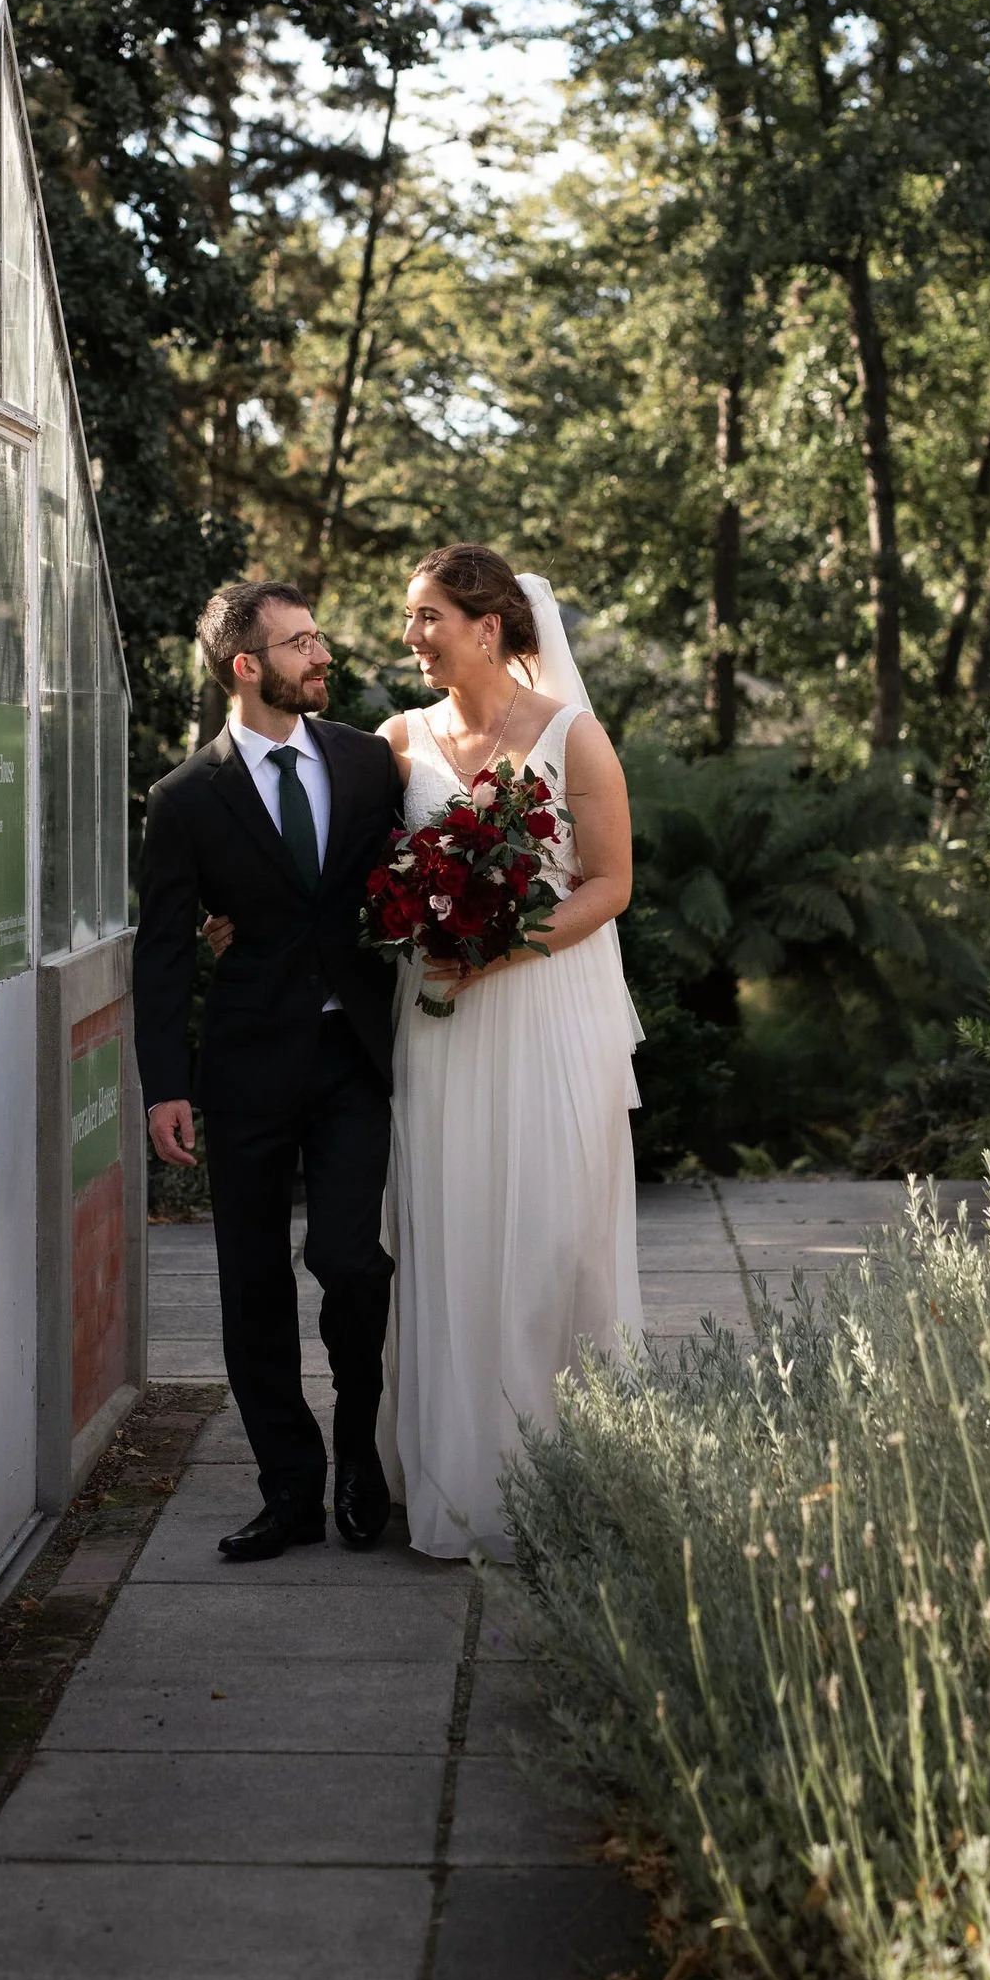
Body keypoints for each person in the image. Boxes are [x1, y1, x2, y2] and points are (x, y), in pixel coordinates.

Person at [378, 545, 643, 1560]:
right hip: (441, 1019)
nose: (411, 637)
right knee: (450, 1224)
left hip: (547, 1011)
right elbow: (344, 868)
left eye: (426, 616)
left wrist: (501, 946)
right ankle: (458, 1473)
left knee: (548, 1231)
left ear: (486, 626)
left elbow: (607, 884)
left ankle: (563, 1473)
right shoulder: (398, 743)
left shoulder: (573, 737)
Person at [133, 581, 406, 1562]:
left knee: (349, 1260)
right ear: (246, 667)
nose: (319, 653)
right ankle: (287, 1488)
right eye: (298, 643)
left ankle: (359, 1458)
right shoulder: (184, 799)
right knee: (249, 1286)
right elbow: (162, 950)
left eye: (317, 635)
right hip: (243, 1065)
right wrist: (165, 1085)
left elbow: (408, 881)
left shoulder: (369, 764)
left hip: (350, 1060)